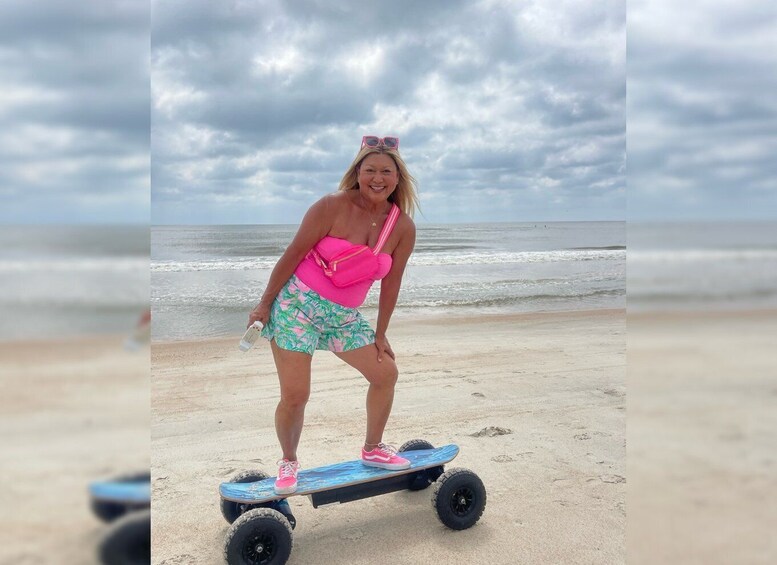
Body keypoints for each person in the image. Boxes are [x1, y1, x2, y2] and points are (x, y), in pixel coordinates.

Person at [247, 135, 419, 494]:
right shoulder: (330, 206)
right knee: (296, 394)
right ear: (357, 172)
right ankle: (289, 461)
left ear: (397, 178)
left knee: (385, 372)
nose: (377, 177)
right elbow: (293, 254)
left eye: (386, 171)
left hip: (342, 316)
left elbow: (392, 283)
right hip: (297, 308)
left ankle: (373, 449)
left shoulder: (402, 227)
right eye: (370, 169)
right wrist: (265, 303)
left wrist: (381, 332)